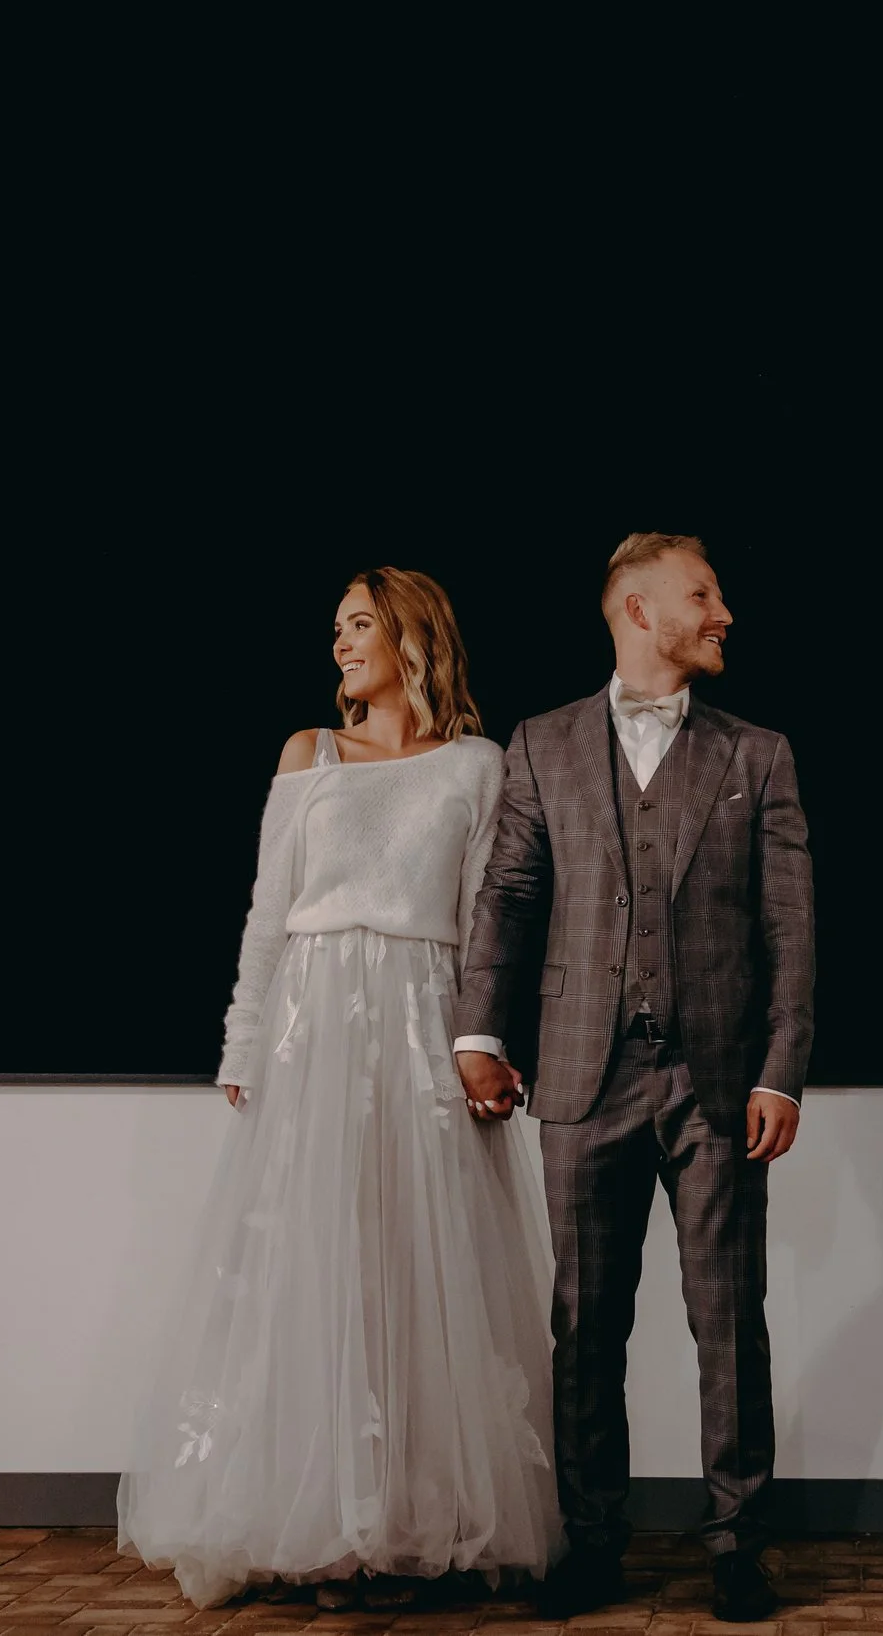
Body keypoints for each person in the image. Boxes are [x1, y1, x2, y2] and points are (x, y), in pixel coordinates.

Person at [118, 568, 561, 1610]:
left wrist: (478, 1043)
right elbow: (268, 911)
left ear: (411, 634)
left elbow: (485, 925)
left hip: (417, 1027)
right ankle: (321, 1517)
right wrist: (242, 1041)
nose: (338, 645)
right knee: (314, 1268)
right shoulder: (305, 755)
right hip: (311, 1033)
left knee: (416, 1266)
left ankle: (410, 1519)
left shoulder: (473, 767)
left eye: (358, 624)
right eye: (334, 630)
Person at [453, 533, 815, 1623]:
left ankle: (737, 1544)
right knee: (584, 1324)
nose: (724, 614)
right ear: (639, 610)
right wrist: (479, 1029)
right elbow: (508, 895)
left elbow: (790, 928)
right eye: (703, 595)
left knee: (728, 1319)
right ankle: (592, 1542)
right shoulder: (542, 742)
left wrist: (782, 1068)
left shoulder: (759, 754)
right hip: (578, 1070)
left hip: (717, 1078)